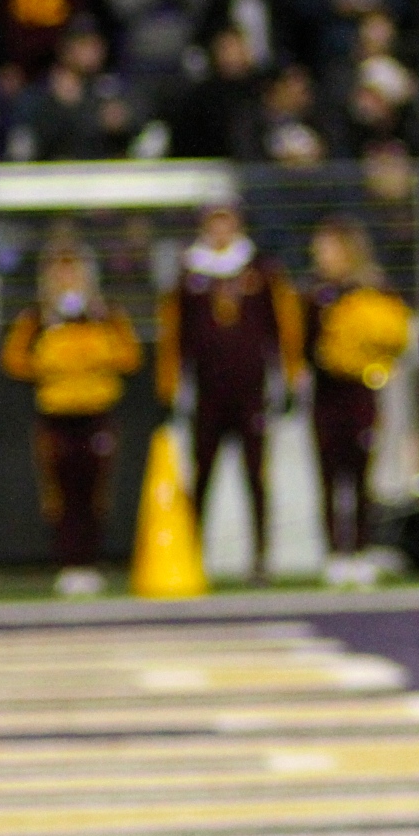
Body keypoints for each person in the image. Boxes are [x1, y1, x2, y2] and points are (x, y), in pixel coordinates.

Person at [157, 204, 303, 580]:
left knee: (256, 475)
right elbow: (173, 335)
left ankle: (261, 557)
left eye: (227, 222)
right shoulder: (189, 273)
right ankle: (191, 555)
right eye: (214, 223)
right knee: (201, 474)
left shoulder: (263, 270)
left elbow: (285, 327)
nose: (221, 230)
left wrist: (290, 379)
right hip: (207, 392)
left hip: (251, 391)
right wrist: (170, 387)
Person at [2, 242, 143, 597]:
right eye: (59, 270)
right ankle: (67, 563)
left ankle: (91, 562)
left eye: (73, 269)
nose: (67, 277)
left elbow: (131, 357)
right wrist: (51, 366)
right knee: (59, 493)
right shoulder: (37, 318)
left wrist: (91, 361)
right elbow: (13, 359)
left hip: (97, 413)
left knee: (95, 490)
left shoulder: (107, 315)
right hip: (56, 415)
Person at [302, 218, 414, 585]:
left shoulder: (374, 290)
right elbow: (305, 347)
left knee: (361, 475)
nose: (322, 256)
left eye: (329, 249)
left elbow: (396, 336)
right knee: (328, 475)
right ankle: (335, 552)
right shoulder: (315, 293)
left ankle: (363, 549)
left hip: (360, 393)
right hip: (325, 394)